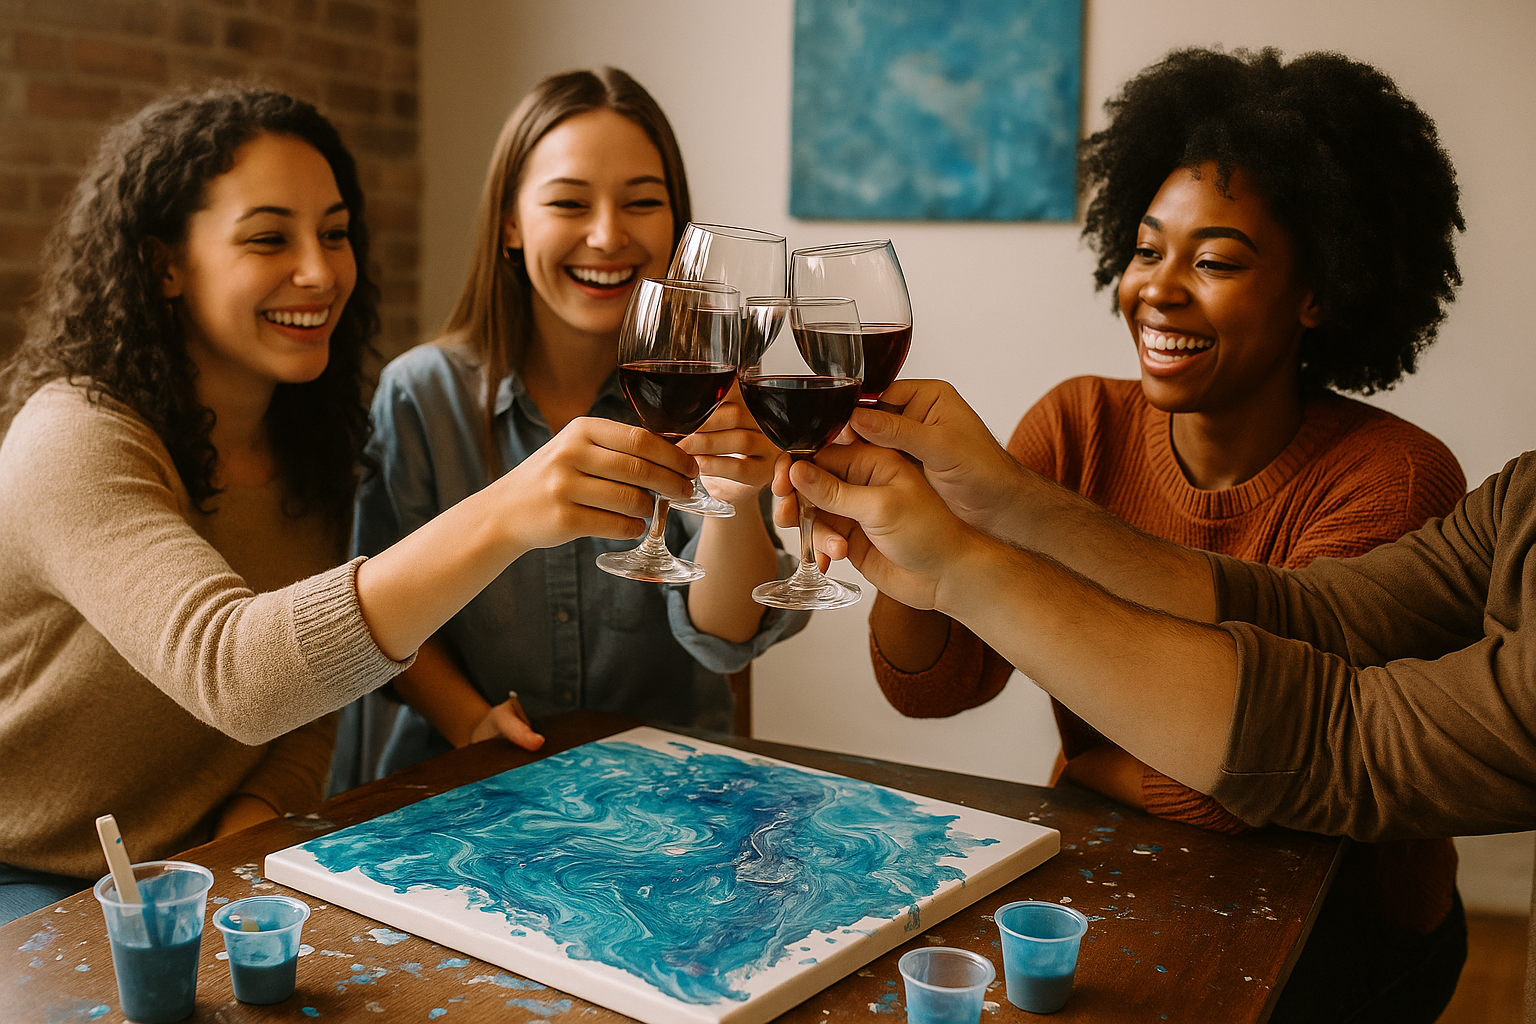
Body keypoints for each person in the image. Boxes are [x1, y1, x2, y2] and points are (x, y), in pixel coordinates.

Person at [0, 85, 704, 925]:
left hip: (207, 858)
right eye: (270, 237)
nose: (320, 271)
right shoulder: (72, 438)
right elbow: (237, 671)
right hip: (32, 868)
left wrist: (248, 825)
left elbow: (317, 695)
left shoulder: (308, 440)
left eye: (334, 234)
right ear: (164, 265)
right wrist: (507, 512)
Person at [865, 48, 1467, 1023]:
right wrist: (902, 525)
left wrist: (1091, 769)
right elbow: (934, 685)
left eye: (1216, 261)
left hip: (1347, 920)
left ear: (1318, 292)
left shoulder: (1393, 479)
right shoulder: (1077, 426)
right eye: (1147, 251)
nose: (1160, 289)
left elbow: (1264, 786)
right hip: (1127, 862)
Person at [350, 68, 803, 778]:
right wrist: (470, 722)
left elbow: (726, 637)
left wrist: (736, 499)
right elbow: (377, 610)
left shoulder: (710, 389)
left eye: (641, 202)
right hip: (471, 783)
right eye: (568, 202)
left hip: (669, 787)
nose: (606, 235)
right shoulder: (421, 395)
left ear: (677, 228)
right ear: (510, 222)